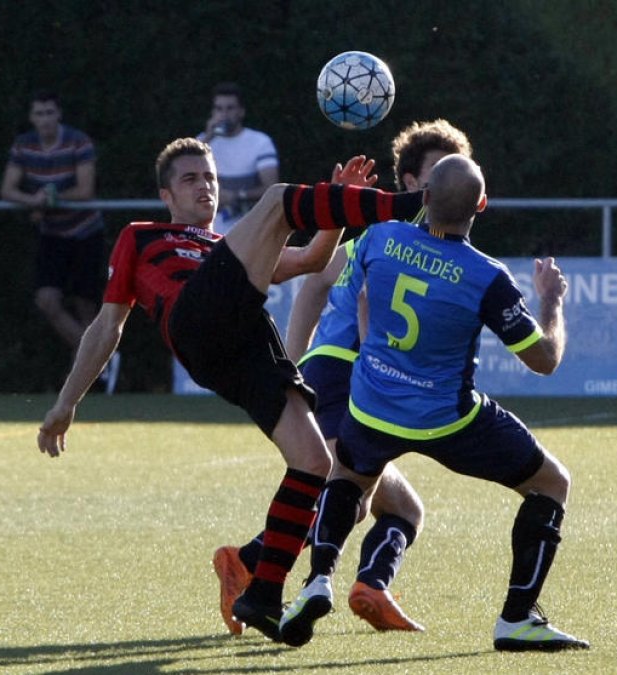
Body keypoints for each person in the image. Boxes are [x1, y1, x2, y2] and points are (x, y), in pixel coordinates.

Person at [36, 137, 425, 644]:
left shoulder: (233, 250)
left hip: (243, 347)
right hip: (196, 319)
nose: (204, 186)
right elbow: (108, 325)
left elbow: (310, 259)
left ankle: (261, 592)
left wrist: (337, 205)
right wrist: (67, 402)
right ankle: (411, 206)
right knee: (279, 198)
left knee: (314, 463)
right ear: (166, 195)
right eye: (190, 178)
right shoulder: (142, 236)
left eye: (211, 178)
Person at [273, 154, 589, 652]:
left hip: (373, 403)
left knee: (350, 478)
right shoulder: (487, 277)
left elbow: (360, 304)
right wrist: (551, 300)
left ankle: (317, 582)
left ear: (424, 197)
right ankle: (517, 618)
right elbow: (544, 360)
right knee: (552, 483)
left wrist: (378, 368)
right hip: (448, 419)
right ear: (481, 205)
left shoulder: (380, 238)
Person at [211, 120, 474, 637]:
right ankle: (251, 566)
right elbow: (320, 285)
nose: (445, 184)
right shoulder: (386, 238)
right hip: (344, 373)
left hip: (364, 380)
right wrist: (294, 362)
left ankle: (369, 585)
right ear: (405, 183)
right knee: (344, 500)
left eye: (454, 173)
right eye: (434, 174)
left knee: (400, 508)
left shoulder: (438, 249)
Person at [0, 90, 114, 389]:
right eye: (39, 114)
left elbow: (85, 190)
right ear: (31, 117)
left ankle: (87, 382)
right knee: (47, 300)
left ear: (58, 114)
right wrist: (33, 200)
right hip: (52, 235)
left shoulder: (78, 141)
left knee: (86, 307)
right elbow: (8, 190)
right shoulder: (24, 145)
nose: (45, 120)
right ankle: (103, 359)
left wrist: (51, 198)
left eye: (50, 113)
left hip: (86, 232)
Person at [196, 82, 279, 234]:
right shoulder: (202, 142)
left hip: (251, 228)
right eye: (219, 109)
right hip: (211, 229)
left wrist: (237, 196)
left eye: (230, 108)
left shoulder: (260, 142)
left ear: (241, 112)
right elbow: (182, 172)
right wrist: (208, 136)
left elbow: (271, 187)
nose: (224, 114)